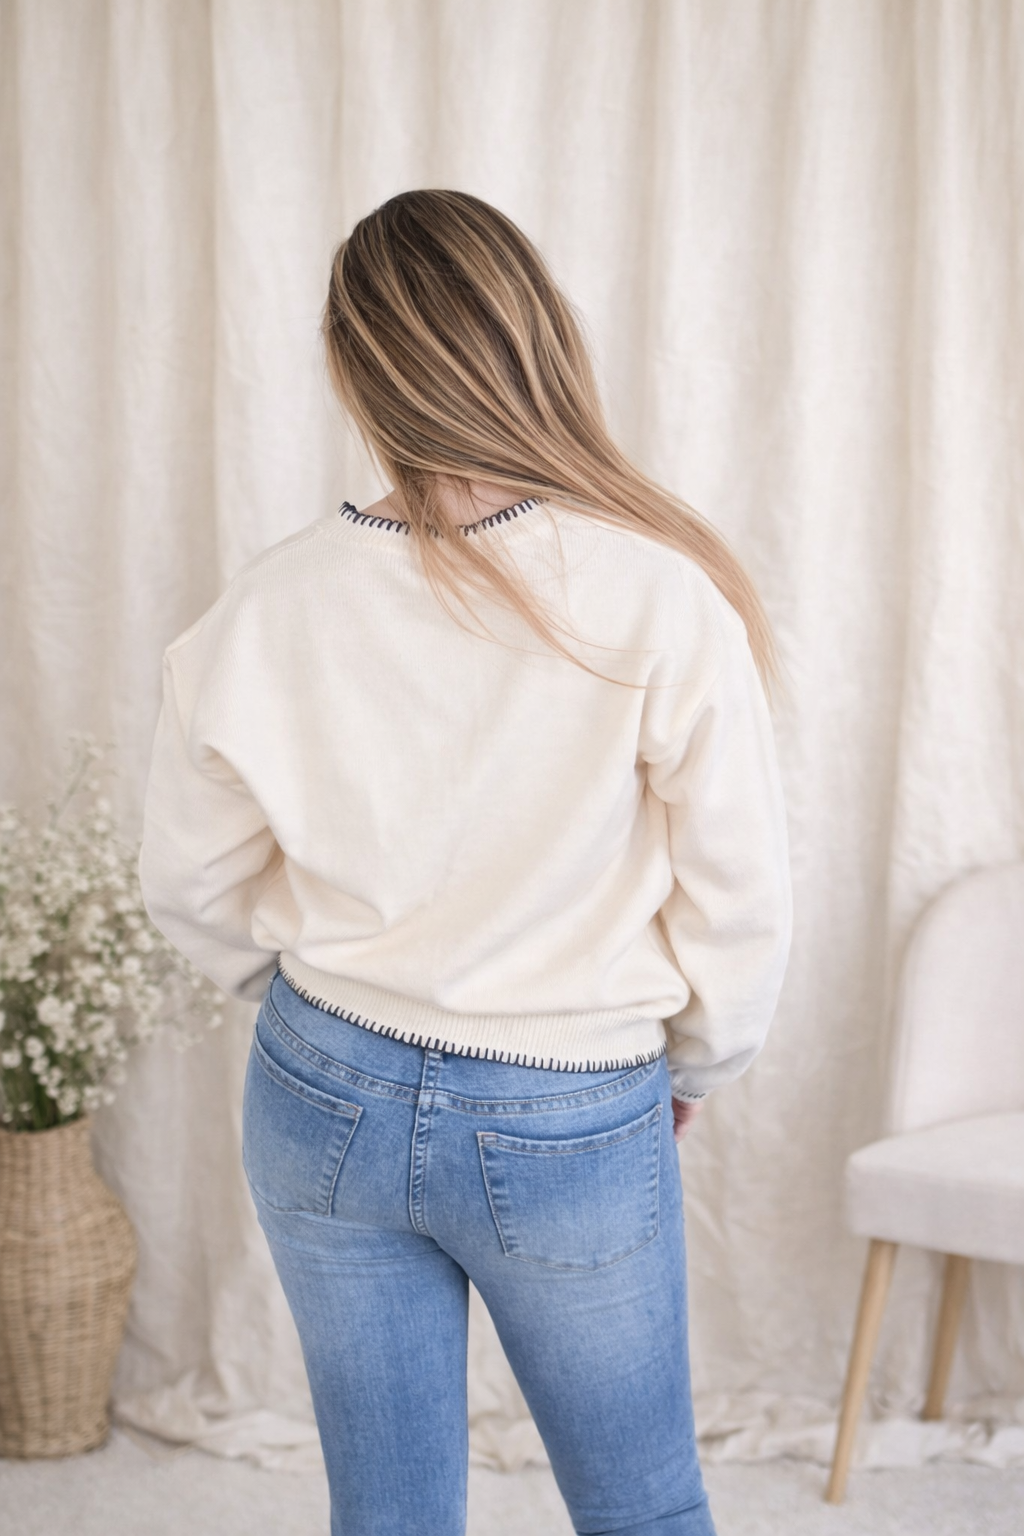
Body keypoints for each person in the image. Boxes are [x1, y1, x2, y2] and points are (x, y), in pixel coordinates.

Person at [138, 189, 792, 1536]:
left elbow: (189, 888)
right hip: (569, 1105)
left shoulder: (266, 606)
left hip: (320, 1088)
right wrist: (701, 1063)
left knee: (386, 1518)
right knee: (646, 1511)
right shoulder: (659, 598)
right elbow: (740, 896)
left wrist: (326, 1000)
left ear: (351, 368)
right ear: (538, 342)